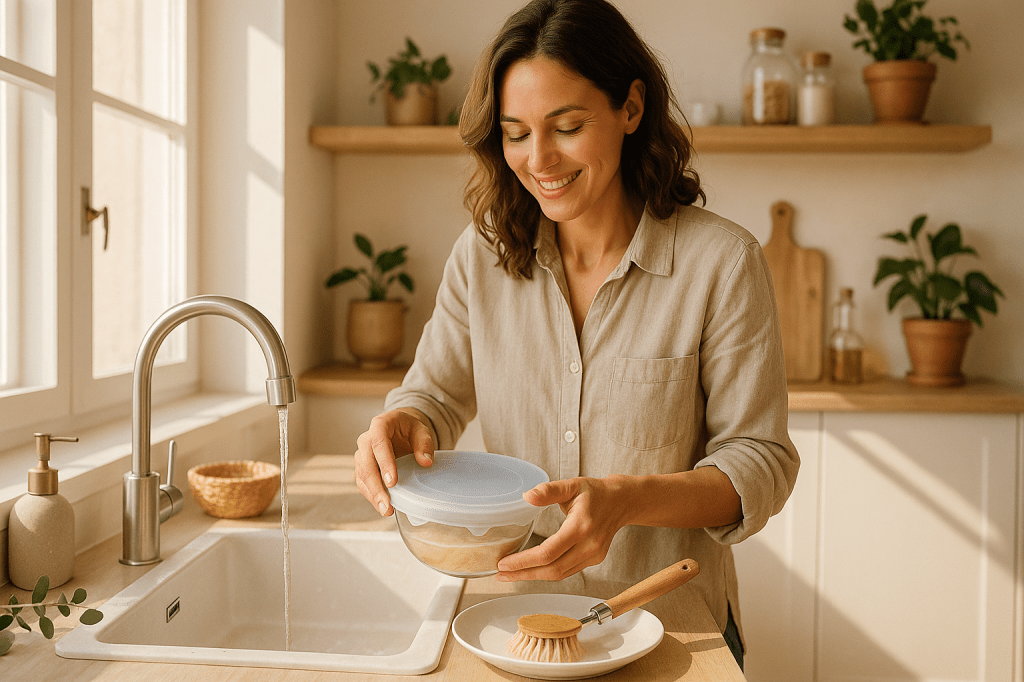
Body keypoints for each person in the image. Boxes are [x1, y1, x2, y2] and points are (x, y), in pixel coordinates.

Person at [353, 0, 799, 670]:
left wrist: (629, 501)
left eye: (566, 126)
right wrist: (401, 421)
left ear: (630, 108)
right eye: (516, 133)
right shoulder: (481, 257)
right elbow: (434, 400)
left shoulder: (723, 263)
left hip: (673, 621)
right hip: (514, 623)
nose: (540, 160)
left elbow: (760, 462)